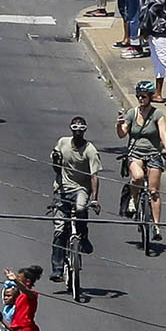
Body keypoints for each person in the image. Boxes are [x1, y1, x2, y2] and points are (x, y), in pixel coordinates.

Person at [49, 116, 100, 285]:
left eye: (81, 129)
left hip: (80, 189)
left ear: (85, 130)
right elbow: (56, 167)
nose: (78, 131)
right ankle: (57, 269)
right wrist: (56, 161)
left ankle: (83, 236)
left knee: (80, 209)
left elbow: (94, 176)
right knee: (59, 230)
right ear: (71, 129)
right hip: (61, 190)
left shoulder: (90, 150)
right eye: (75, 128)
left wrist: (94, 199)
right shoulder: (62, 143)